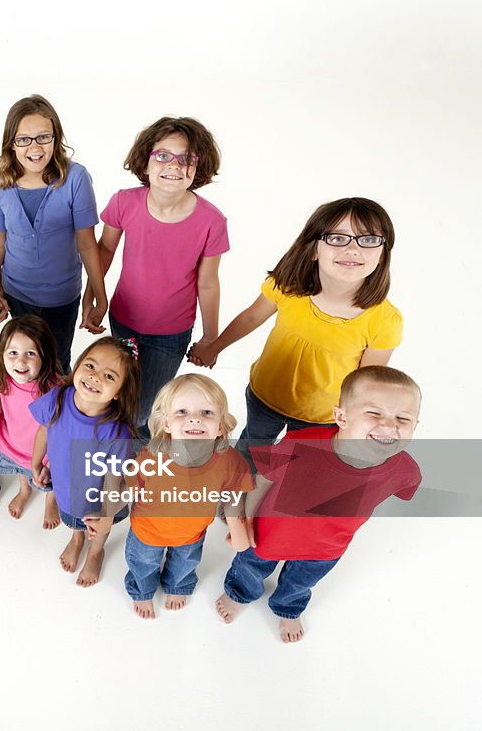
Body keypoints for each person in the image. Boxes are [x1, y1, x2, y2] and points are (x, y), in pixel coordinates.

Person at [215, 366, 422, 643]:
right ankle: (239, 593)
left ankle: (287, 608)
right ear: (342, 417)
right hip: (269, 533)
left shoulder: (405, 471)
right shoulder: (301, 444)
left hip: (327, 547)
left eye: (403, 418)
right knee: (250, 567)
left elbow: (398, 491)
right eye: (374, 413)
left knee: (301, 582)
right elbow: (263, 479)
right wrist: (247, 519)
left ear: (416, 425)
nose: (388, 426)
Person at [189, 198, 401, 464]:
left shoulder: (384, 320)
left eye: (368, 240)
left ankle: (271, 501)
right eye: (338, 238)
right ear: (314, 249)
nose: (353, 249)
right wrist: (213, 346)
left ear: (383, 253)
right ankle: (235, 492)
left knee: (296, 466)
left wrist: (356, 425)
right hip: (265, 397)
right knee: (251, 450)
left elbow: (365, 383)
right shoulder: (288, 286)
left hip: (322, 417)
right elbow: (252, 316)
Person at [89, 117, 228, 439]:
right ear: (146, 161)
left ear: (198, 167)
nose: (174, 166)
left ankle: (139, 464)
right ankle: (115, 454)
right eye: (163, 155)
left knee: (145, 408)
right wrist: (93, 299)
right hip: (124, 319)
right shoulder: (125, 201)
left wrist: (211, 339)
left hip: (171, 333)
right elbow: (105, 251)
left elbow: (208, 283)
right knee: (121, 393)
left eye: (186, 159)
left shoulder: (211, 221)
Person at [86, 375, 252, 618]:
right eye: (182, 411)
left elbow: (233, 498)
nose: (194, 418)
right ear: (166, 423)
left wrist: (239, 531)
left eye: (206, 412)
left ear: (221, 426)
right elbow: (129, 489)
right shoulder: (151, 457)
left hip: (192, 533)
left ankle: (178, 585)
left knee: (185, 563)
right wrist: (106, 514)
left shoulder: (230, 462)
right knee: (143, 565)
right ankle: (142, 590)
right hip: (147, 531)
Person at [0, 94, 108, 372]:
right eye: (23, 139)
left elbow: (87, 244)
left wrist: (100, 295)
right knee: (23, 367)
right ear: (11, 144)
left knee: (56, 365)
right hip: (17, 293)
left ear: (56, 138)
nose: (35, 147)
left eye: (43, 137)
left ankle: (54, 416)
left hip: (62, 297)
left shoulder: (75, 178)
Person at [30, 338, 140, 588]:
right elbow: (44, 431)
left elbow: (114, 482)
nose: (95, 377)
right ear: (78, 365)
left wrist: (106, 516)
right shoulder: (58, 398)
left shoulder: (116, 432)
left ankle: (95, 552)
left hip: (98, 501)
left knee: (98, 531)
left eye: (109, 376)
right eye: (90, 366)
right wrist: (36, 463)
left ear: (120, 392)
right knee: (72, 519)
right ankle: (77, 539)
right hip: (65, 486)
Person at [0, 315, 62, 526]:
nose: (20, 361)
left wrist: (48, 462)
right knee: (21, 472)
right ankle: (25, 489)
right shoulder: (1, 378)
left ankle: (51, 500)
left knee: (50, 482)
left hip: (45, 455)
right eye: (13, 353)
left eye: (30, 353)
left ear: (44, 356)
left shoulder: (53, 389)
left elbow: (58, 430)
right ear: (2, 354)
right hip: (13, 445)